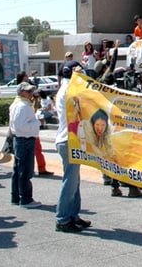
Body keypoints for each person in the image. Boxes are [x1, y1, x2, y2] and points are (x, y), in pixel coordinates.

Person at [54, 67, 92, 233]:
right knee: (70, 181)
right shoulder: (69, 89)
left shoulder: (64, 88)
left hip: (68, 139)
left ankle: (73, 215)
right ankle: (63, 218)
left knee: (74, 180)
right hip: (68, 140)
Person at [9, 82, 41, 208]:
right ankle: (25, 198)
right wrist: (36, 123)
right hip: (24, 139)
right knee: (25, 170)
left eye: (31, 91)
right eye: (28, 91)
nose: (31, 93)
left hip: (21, 139)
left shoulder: (20, 104)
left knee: (18, 170)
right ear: (21, 92)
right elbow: (21, 126)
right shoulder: (22, 106)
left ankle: (16, 196)